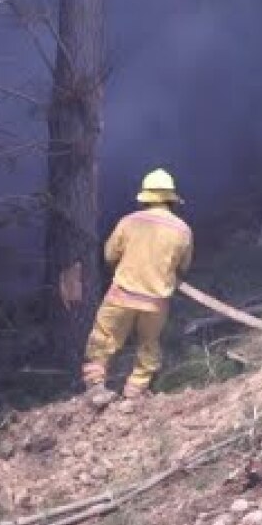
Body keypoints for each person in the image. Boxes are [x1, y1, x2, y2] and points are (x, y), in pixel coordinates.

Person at [81, 168, 193, 399]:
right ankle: (135, 390)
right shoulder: (183, 230)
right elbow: (183, 267)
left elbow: (110, 255)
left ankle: (95, 388)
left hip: (121, 295)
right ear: (171, 200)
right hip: (156, 302)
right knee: (148, 344)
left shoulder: (129, 222)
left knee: (103, 338)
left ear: (145, 198)